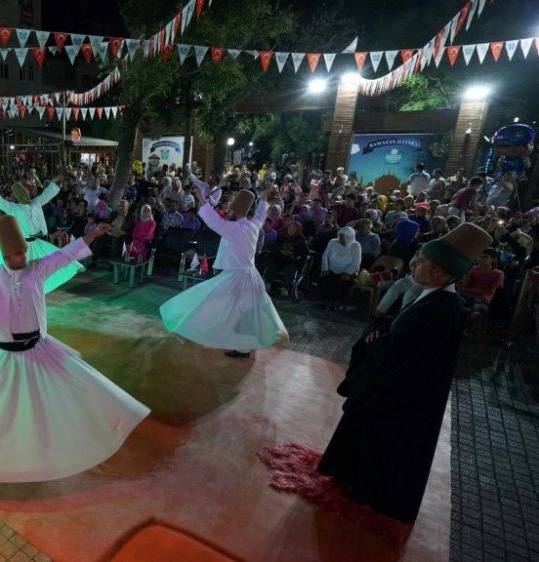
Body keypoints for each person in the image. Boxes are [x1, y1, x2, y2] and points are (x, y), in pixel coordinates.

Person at [0, 216, 149, 482]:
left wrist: (93, 235)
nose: (21, 259)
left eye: (23, 252)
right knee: (1, 409)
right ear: (4, 255)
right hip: (3, 354)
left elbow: (65, 255)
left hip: (39, 349)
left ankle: (68, 447)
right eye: (15, 255)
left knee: (58, 399)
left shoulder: (37, 269)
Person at [318, 223, 493, 522]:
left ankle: (368, 492)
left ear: (439, 272)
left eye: (422, 260)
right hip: (396, 390)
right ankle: (354, 478)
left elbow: (402, 357)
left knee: (380, 445)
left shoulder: (439, 309)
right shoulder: (435, 299)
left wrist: (376, 342)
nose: (413, 263)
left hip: (396, 397)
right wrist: (382, 333)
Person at [160, 185, 288, 358]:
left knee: (210, 303)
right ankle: (243, 346)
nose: (227, 213)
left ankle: (200, 330)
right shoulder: (252, 226)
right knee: (245, 313)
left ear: (234, 211)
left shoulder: (233, 229)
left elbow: (213, 220)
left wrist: (201, 198)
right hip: (251, 275)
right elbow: (260, 215)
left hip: (236, 277)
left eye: (230, 210)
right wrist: (264, 199)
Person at [0, 176, 83, 293]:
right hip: (22, 245)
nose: (28, 197)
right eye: (25, 195)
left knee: (54, 255)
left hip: (36, 243)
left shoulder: (36, 203)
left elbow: (47, 194)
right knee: (20, 269)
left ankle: (72, 267)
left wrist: (55, 181)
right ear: (19, 198)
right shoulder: (14, 208)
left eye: (28, 194)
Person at [318, 226, 362, 306]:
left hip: (347, 272)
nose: (341, 239)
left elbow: (356, 262)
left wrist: (347, 272)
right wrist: (325, 268)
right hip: (331, 269)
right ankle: (324, 300)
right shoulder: (333, 242)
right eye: (340, 236)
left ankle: (338, 302)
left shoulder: (356, 245)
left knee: (342, 280)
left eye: (343, 237)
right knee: (324, 276)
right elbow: (325, 255)